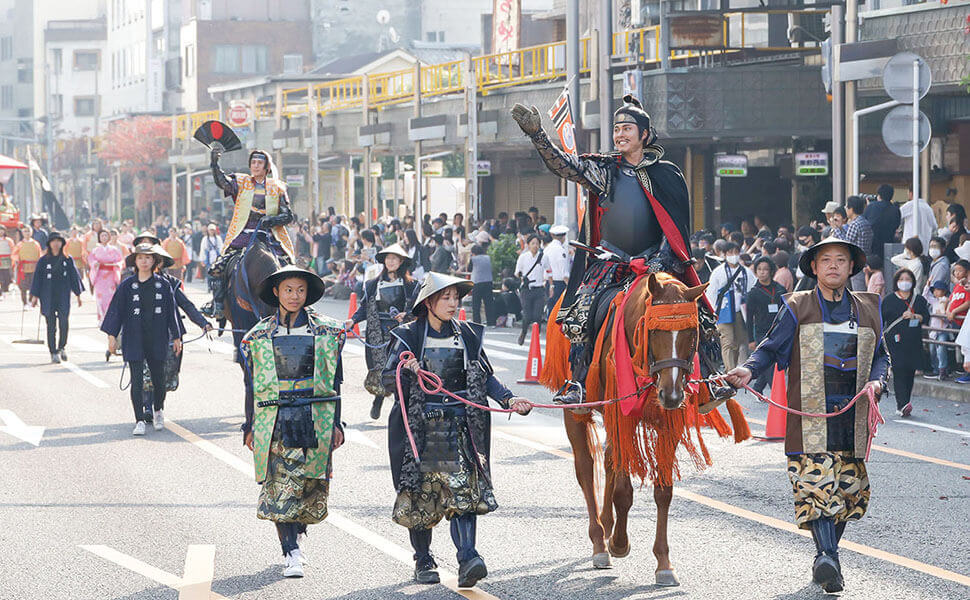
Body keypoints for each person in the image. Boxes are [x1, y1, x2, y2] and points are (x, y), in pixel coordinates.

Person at [511, 94, 728, 405]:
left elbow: (676, 227)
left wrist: (660, 263)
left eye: (627, 128)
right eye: (616, 129)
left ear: (644, 134)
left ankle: (711, 378)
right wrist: (537, 134)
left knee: (701, 314)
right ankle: (579, 383)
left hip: (659, 263)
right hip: (610, 263)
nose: (620, 134)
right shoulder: (604, 170)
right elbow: (565, 166)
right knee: (580, 314)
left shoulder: (668, 174)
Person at [725, 237, 888, 594]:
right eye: (825, 260)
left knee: (846, 494)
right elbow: (769, 348)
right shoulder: (797, 306)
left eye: (840, 260)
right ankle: (826, 558)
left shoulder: (868, 308)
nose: (833, 265)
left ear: (851, 268)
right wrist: (748, 370)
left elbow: (881, 356)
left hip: (852, 415)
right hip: (810, 414)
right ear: (813, 268)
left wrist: (877, 382)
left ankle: (828, 561)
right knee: (816, 487)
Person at [381, 273, 531, 587]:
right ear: (428, 302)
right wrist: (406, 370)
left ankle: (468, 557)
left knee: (464, 493)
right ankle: (423, 559)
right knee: (424, 496)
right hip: (422, 431)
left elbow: (486, 376)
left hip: (460, 426)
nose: (452, 304)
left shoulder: (467, 336)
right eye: (445, 297)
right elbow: (385, 379)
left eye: (455, 298)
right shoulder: (407, 336)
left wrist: (509, 398)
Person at [239, 265, 346, 579]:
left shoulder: (328, 332)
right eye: (288, 290)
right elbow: (251, 384)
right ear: (276, 292)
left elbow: (335, 381)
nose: (294, 296)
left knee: (310, 488)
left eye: (300, 290)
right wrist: (249, 425)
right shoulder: (257, 336)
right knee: (279, 488)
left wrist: (338, 423)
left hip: (316, 417)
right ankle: (291, 552)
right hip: (274, 418)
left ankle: (297, 532)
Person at [101, 243, 182, 436]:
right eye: (140, 258)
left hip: (157, 337)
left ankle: (158, 409)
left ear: (154, 261)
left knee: (158, 379)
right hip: (133, 338)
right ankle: (139, 419)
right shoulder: (127, 286)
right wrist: (112, 337)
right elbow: (116, 312)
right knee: (136, 381)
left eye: (148, 257)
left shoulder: (163, 285)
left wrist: (177, 336)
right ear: (135, 262)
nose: (144, 261)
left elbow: (172, 313)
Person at [206, 148, 296, 318]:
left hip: (269, 237)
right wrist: (214, 164)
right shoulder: (241, 182)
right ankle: (217, 305)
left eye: (259, 163)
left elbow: (288, 215)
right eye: (253, 162)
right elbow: (222, 182)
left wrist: (272, 220)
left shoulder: (277, 187)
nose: (255, 166)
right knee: (217, 268)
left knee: (290, 269)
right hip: (243, 236)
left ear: (266, 167)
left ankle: (295, 305)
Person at [345, 243, 419, 420]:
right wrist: (353, 320)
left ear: (401, 262)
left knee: (400, 369)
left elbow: (419, 308)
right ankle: (378, 400)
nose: (391, 261)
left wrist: (407, 315)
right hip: (378, 331)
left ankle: (400, 407)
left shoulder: (412, 285)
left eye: (395, 258)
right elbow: (364, 307)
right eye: (388, 258)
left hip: (401, 332)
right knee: (381, 368)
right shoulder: (372, 284)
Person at [881, 268, 930, 417]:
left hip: (913, 341)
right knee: (899, 369)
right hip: (894, 342)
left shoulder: (919, 299)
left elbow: (926, 318)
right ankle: (902, 404)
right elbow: (881, 319)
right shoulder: (889, 300)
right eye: (901, 279)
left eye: (908, 280)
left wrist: (915, 316)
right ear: (896, 282)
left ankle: (905, 403)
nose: (904, 282)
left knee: (910, 371)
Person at [29, 231, 84, 363]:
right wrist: (34, 296)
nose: (56, 244)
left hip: (63, 295)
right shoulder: (43, 260)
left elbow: (74, 277)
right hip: (47, 295)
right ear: (49, 243)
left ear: (62, 243)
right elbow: (37, 279)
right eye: (53, 241)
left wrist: (78, 294)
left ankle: (62, 347)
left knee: (64, 322)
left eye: (59, 241)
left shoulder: (67, 259)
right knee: (51, 324)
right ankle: (53, 351)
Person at [705, 242, 754, 371]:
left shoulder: (746, 272)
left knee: (738, 343)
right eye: (730, 253)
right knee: (727, 342)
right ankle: (730, 371)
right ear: (725, 255)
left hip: (740, 311)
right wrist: (713, 312)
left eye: (736, 252)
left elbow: (752, 290)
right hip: (723, 311)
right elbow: (711, 293)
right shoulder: (718, 272)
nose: (733, 255)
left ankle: (732, 367)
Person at [744, 256, 787, 394]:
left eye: (765, 269)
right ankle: (777, 395)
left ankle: (757, 388)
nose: (762, 272)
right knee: (769, 365)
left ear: (771, 271)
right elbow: (749, 318)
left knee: (772, 361)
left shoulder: (780, 289)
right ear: (756, 272)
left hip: (779, 329)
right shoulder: (753, 293)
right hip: (762, 332)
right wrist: (751, 339)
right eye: (759, 270)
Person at [87, 229, 124, 323]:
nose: (104, 237)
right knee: (100, 298)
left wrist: (117, 264)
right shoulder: (95, 250)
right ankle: (101, 318)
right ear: (99, 238)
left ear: (109, 237)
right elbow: (91, 260)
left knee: (110, 297)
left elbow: (120, 260)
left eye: (105, 235)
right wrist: (95, 263)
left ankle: (110, 317)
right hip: (99, 275)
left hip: (110, 275)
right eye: (102, 236)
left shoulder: (114, 250)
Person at [514, 234, 545, 346]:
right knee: (527, 316)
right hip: (526, 289)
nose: (535, 246)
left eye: (537, 243)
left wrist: (550, 285)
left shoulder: (543, 257)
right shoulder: (523, 257)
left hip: (539, 289)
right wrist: (522, 277)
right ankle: (523, 332)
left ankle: (536, 337)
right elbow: (517, 272)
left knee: (537, 315)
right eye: (533, 243)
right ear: (528, 245)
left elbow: (547, 271)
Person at [947, 259, 970, 384]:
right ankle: (963, 370)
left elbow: (967, 302)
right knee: (963, 348)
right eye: (955, 270)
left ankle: (967, 372)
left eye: (960, 270)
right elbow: (951, 299)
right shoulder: (958, 286)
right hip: (955, 321)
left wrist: (954, 311)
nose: (957, 273)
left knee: (967, 348)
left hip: (964, 321)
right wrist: (948, 310)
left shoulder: (967, 287)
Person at [844, 195, 873, 291]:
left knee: (857, 296)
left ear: (851, 209)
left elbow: (845, 244)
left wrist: (837, 229)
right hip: (865, 261)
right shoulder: (865, 222)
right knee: (862, 294)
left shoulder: (854, 224)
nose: (846, 209)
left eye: (847, 207)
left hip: (855, 263)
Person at [863, 184, 900, 259]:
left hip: (873, 246)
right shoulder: (896, 210)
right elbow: (896, 225)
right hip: (889, 244)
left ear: (879, 195)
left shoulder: (872, 206)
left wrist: (870, 205)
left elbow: (864, 222)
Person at [924, 280, 952, 380]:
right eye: (935, 290)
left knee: (941, 349)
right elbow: (925, 296)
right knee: (932, 350)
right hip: (933, 330)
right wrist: (927, 285)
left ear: (944, 291)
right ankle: (935, 369)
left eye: (939, 290)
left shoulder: (948, 301)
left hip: (943, 330)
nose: (936, 292)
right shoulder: (934, 301)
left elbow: (948, 318)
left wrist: (943, 316)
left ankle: (942, 369)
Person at [543, 224, 571, 314]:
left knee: (551, 309)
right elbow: (564, 272)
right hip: (559, 284)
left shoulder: (546, 249)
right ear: (564, 236)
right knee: (559, 310)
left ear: (552, 235)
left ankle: (549, 327)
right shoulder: (561, 250)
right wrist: (570, 286)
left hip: (549, 282)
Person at [11, 228, 42, 306]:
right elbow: (14, 254)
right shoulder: (20, 244)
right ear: (22, 233)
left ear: (31, 233)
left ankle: (31, 300)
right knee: (23, 286)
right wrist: (18, 260)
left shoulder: (36, 244)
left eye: (28, 231)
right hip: (23, 268)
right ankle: (25, 302)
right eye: (25, 231)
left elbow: (40, 254)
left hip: (34, 267)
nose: (27, 233)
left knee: (33, 285)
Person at [468, 243, 495, 325]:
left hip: (477, 283)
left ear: (473, 252)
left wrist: (470, 258)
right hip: (488, 282)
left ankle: (477, 322)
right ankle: (491, 322)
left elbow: (469, 269)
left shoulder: (473, 259)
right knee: (488, 303)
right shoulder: (488, 258)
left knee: (476, 304)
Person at [0, 226, 12, 296]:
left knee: (7, 275)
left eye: (2, 230)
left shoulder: (9, 240)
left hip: (7, 260)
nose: (1, 232)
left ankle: (5, 288)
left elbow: (13, 249)